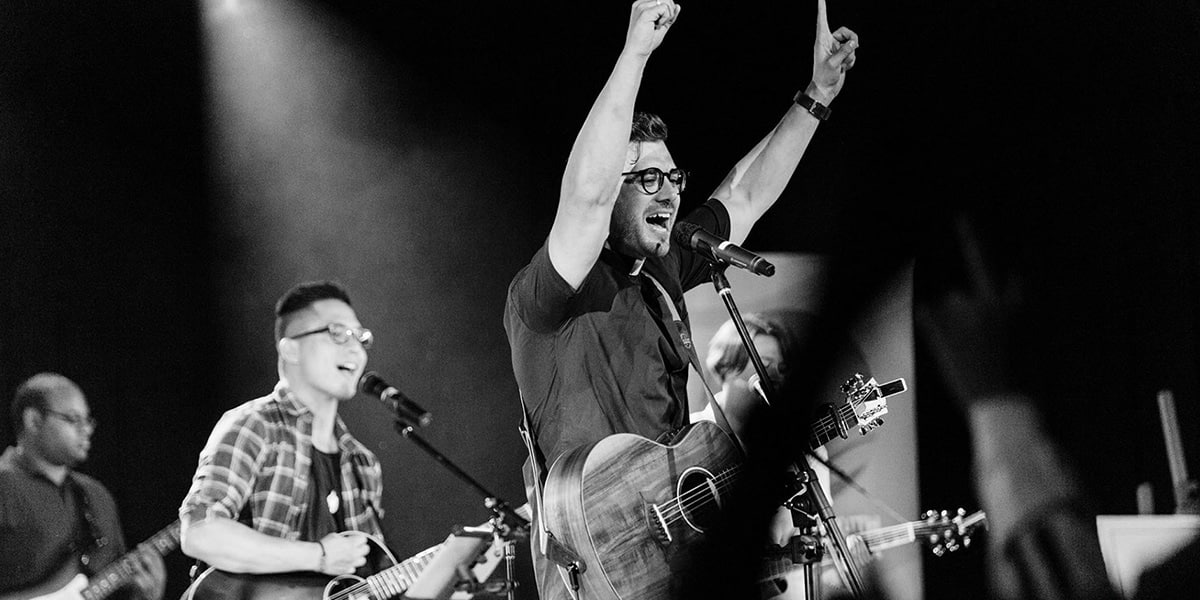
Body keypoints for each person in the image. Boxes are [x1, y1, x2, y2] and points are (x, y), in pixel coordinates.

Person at [503, 1, 858, 597]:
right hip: (592, 577)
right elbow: (586, 199)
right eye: (645, 178)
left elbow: (744, 193)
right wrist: (635, 53)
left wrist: (817, 95)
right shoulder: (547, 293)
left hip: (674, 567)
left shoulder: (663, 271)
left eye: (672, 177)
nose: (666, 190)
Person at [179, 281, 385, 578]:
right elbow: (201, 533)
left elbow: (369, 582)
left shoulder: (362, 463)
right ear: (291, 350)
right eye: (337, 333)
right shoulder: (256, 426)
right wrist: (319, 556)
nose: (355, 348)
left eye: (361, 337)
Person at [0, 373, 166, 600]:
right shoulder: (5, 486)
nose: (86, 429)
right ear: (33, 421)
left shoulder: (97, 496)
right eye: (73, 419)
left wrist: (143, 595)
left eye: (88, 420)